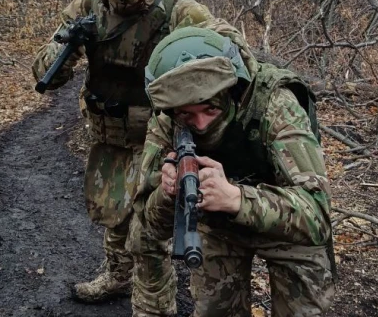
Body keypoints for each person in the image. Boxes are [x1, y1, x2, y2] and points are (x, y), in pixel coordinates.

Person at [32, 0, 249, 315]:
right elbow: (44, 74)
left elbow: (229, 44)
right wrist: (68, 43)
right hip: (107, 132)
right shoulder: (86, 7)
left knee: (147, 228)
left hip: (156, 135)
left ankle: (154, 306)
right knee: (113, 209)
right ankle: (117, 274)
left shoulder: (177, 10)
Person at [136, 26, 335, 317]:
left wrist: (237, 198)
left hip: (287, 227)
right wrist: (167, 194)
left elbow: (317, 215)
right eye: (187, 115)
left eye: (211, 110)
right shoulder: (167, 119)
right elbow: (150, 225)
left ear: (233, 91)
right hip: (219, 226)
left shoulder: (275, 106)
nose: (201, 124)